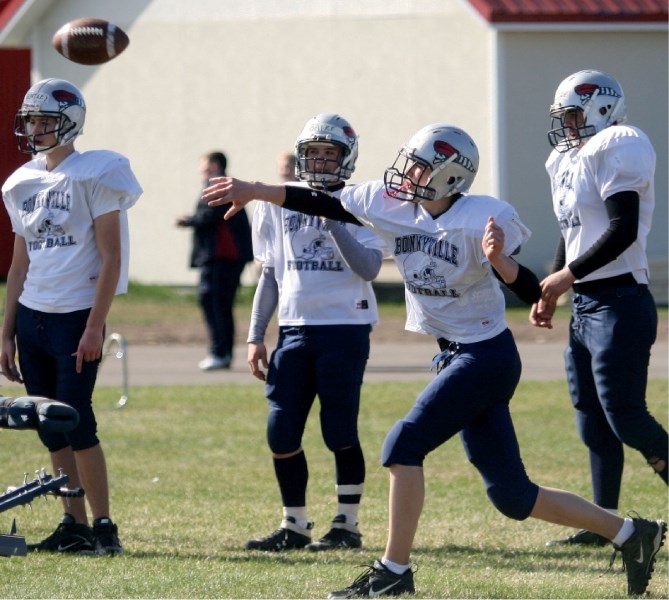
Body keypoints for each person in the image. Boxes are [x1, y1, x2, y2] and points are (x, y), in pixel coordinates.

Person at [202, 122, 667, 597]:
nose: (407, 172)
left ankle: (394, 572)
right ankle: (632, 533)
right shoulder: (393, 207)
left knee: (402, 446)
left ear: (449, 175)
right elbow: (321, 201)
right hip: (455, 355)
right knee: (512, 495)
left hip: (486, 355)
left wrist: (501, 261)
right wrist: (256, 189)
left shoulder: (482, 217)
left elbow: (529, 291)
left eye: (420, 165)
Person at [0, 78, 142, 554]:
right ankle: (73, 523)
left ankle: (103, 526)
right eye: (31, 121)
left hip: (75, 315)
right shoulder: (22, 182)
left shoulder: (97, 172)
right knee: (47, 424)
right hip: (33, 315)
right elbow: (19, 264)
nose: (36, 129)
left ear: (70, 122)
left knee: (77, 422)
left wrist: (95, 325)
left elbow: (111, 258)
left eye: (45, 121)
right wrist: (6, 333)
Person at [530, 69, 668, 547]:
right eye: (563, 117)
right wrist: (554, 288)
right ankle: (605, 523)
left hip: (620, 299)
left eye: (572, 114)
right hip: (588, 306)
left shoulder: (620, 142)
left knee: (627, 417)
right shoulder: (565, 160)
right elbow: (572, 234)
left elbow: (623, 227)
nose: (567, 125)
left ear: (600, 108)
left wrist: (567, 276)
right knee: (591, 418)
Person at [242, 114, 387, 552]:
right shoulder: (275, 201)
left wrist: (333, 219)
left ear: (346, 158)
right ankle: (295, 524)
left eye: (330, 154)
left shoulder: (364, 200)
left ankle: (347, 525)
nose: (322, 162)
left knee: (338, 429)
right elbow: (270, 273)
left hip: (345, 327)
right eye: (314, 154)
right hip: (294, 329)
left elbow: (369, 267)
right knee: (281, 429)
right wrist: (254, 334)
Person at [176, 151, 253, 370]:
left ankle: (220, 353)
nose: (201, 167)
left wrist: (189, 221)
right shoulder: (218, 185)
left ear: (215, 165)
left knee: (215, 303)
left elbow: (212, 214)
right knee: (214, 303)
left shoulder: (219, 185)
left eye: (205, 163)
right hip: (218, 257)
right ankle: (221, 353)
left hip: (223, 256)